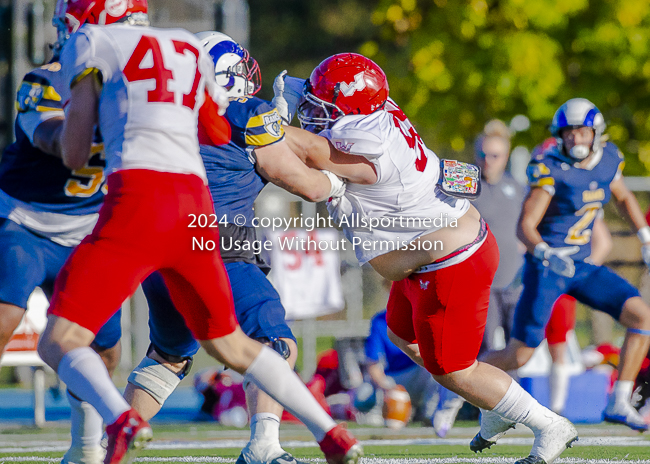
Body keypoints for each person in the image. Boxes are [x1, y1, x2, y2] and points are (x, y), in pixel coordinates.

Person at [36, 3, 362, 464]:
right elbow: (219, 129)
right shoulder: (186, 49)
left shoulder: (92, 45)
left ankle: (110, 431)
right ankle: (325, 433)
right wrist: (290, 145)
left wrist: (69, 128)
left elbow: (73, 153)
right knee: (242, 343)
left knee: (64, 339)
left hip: (140, 208)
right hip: (199, 222)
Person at [273, 53, 577, 464]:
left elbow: (309, 152)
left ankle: (548, 424)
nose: (314, 111)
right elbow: (320, 120)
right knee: (403, 336)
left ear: (353, 113)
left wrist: (261, 122)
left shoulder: (369, 152)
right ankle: (491, 404)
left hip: (453, 260)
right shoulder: (370, 114)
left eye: (325, 106)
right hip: (434, 249)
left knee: (453, 368)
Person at [120, 31, 345, 464]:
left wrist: (274, 121)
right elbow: (303, 183)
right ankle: (264, 446)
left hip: (159, 247)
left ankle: (105, 444)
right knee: (273, 340)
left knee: (167, 355)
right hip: (218, 244)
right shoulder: (247, 114)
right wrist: (335, 183)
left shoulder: (162, 114)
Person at [481, 98, 650, 432]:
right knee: (520, 355)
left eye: (581, 132)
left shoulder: (608, 159)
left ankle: (619, 402)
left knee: (642, 316)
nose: (575, 139)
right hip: (548, 266)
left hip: (582, 264)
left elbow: (624, 197)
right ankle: (460, 377)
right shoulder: (549, 166)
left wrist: (644, 236)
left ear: (596, 132)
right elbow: (525, 225)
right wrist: (544, 252)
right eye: (568, 133)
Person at [0, 25, 124, 464]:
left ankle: (85, 448)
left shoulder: (134, 87)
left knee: (105, 350)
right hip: (24, 222)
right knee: (4, 317)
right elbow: (52, 137)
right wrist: (97, 127)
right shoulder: (43, 81)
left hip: (87, 234)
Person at [365, 308, 464, 437]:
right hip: (395, 378)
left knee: (435, 367)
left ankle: (431, 415)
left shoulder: (424, 315)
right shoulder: (380, 320)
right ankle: (379, 415)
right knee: (362, 397)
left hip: (421, 372)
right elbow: (373, 364)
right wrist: (387, 387)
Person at [472, 119, 525, 352]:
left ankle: (513, 389)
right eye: (484, 155)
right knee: (483, 348)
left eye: (495, 156)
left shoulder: (517, 188)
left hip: (514, 281)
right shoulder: (467, 188)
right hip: (481, 284)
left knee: (516, 347)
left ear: (506, 156)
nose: (488, 161)